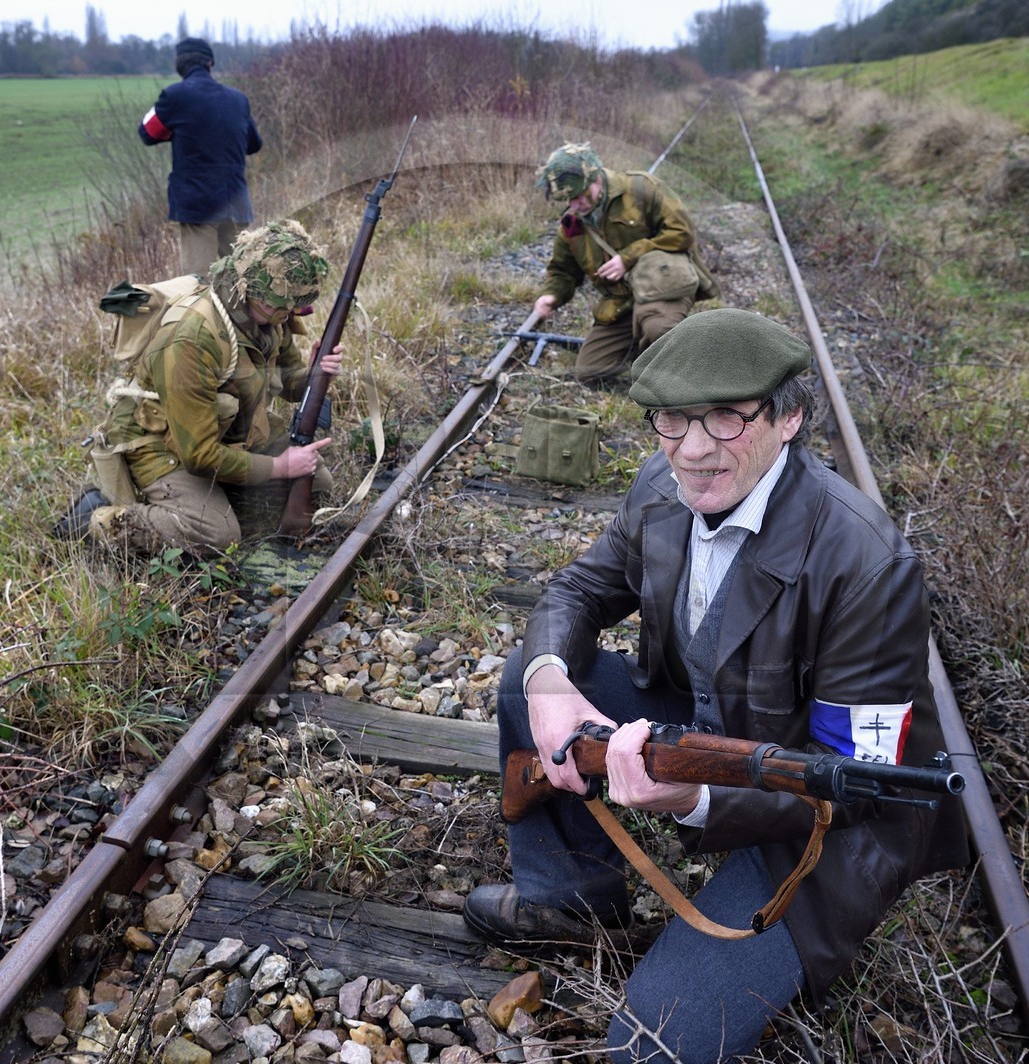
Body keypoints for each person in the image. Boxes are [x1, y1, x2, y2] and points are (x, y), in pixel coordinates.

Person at [463, 309, 969, 1061]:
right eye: (673, 419)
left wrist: (694, 798)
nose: (694, 450)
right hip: (706, 723)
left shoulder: (867, 564)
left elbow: (854, 786)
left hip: (821, 820)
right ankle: (568, 898)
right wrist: (545, 680)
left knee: (654, 1044)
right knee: (524, 682)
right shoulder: (659, 487)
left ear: (789, 417)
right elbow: (578, 591)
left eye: (728, 419)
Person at [52, 220, 340, 557]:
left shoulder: (268, 315)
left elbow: (291, 385)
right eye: (286, 306)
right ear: (256, 292)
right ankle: (97, 518)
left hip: (226, 432)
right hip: (162, 444)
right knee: (218, 534)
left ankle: (219, 495)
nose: (292, 313)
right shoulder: (193, 339)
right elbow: (198, 455)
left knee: (318, 484)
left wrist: (318, 374)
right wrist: (279, 468)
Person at [531, 142, 716, 385]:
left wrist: (628, 258)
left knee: (658, 330)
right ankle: (645, 352)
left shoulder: (640, 188)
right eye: (567, 199)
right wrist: (551, 295)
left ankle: (682, 371)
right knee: (589, 372)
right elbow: (563, 272)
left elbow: (681, 232)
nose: (574, 206)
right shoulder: (571, 225)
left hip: (660, 286)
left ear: (595, 180)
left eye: (577, 196)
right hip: (620, 302)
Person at [140, 36, 263, 277]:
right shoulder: (238, 99)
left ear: (179, 66)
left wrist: (179, 131)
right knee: (247, 282)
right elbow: (254, 144)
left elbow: (147, 132)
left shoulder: (175, 96)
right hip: (237, 203)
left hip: (198, 206)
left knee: (198, 284)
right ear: (210, 64)